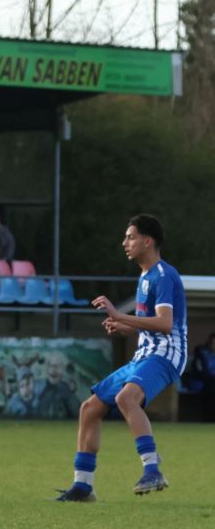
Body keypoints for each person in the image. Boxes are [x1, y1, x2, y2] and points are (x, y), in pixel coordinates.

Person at [56, 215, 186, 502]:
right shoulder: (145, 276)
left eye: (130, 237)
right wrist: (123, 327)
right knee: (90, 408)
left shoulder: (164, 275)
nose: (124, 242)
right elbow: (147, 326)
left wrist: (119, 315)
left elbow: (165, 324)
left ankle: (152, 469)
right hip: (145, 354)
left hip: (166, 353)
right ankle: (83, 486)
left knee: (126, 398)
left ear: (147, 241)